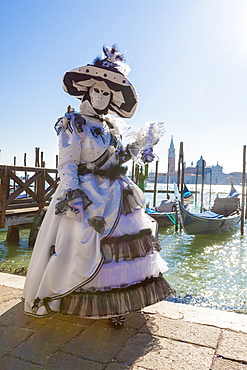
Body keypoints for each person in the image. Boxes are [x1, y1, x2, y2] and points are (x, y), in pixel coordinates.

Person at [22, 45, 175, 326]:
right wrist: (72, 194)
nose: (102, 97)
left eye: (107, 93)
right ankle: (75, 298)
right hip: (85, 195)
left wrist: (139, 148)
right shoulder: (73, 123)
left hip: (115, 193)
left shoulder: (109, 128)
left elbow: (114, 161)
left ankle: (117, 303)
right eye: (98, 91)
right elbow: (67, 163)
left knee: (121, 249)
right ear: (87, 92)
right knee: (79, 247)